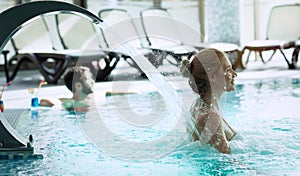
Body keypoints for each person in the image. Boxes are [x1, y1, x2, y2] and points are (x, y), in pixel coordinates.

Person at [180, 48, 237, 154]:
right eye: (228, 70)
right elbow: (226, 162)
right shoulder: (211, 117)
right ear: (213, 77)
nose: (234, 74)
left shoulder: (198, 105)